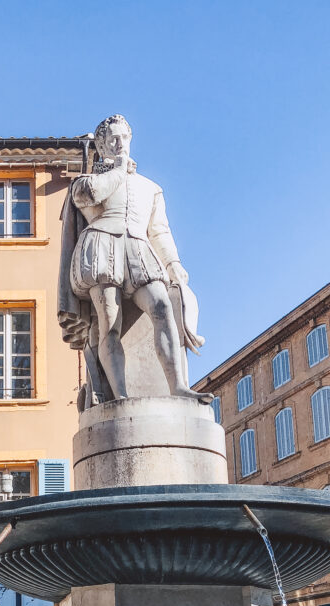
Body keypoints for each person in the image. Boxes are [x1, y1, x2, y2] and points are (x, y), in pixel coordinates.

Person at [58, 113, 213, 407]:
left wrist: (173, 264)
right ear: (101, 146)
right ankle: (122, 395)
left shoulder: (150, 188)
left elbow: (160, 231)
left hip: (140, 250)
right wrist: (118, 170)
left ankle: (178, 386)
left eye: (124, 138)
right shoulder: (86, 181)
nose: (120, 143)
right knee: (109, 324)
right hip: (102, 249)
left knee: (162, 306)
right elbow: (91, 194)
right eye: (112, 139)